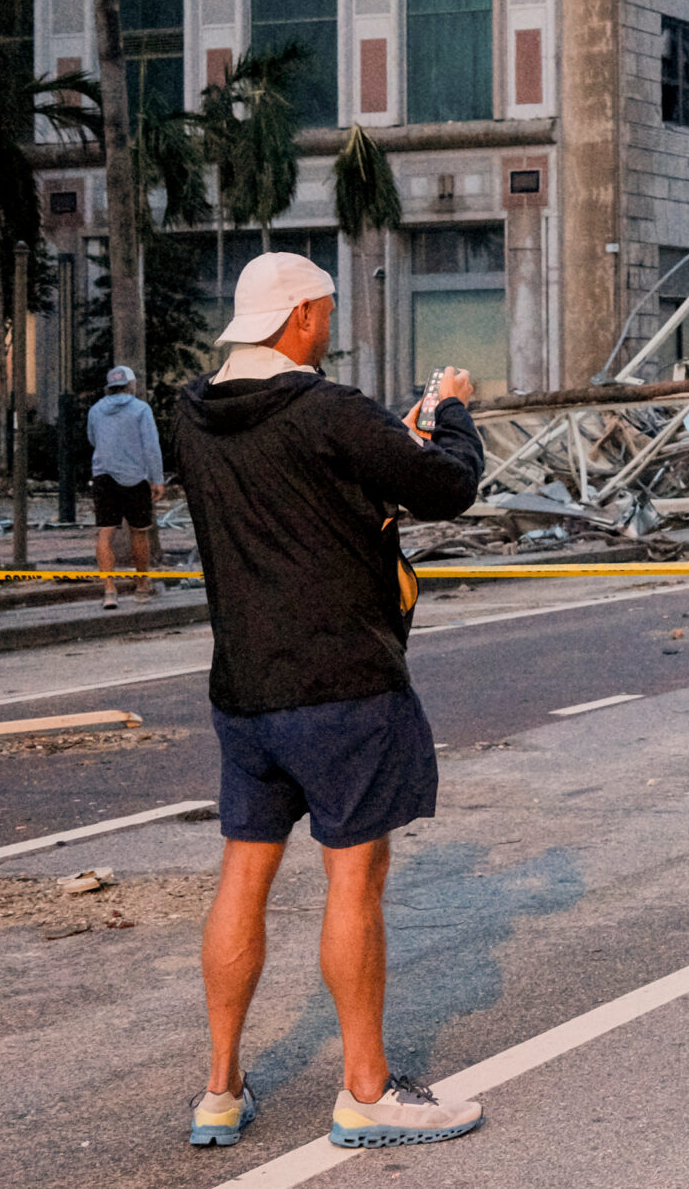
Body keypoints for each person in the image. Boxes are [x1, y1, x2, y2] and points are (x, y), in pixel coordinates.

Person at [175, 252, 490, 1151]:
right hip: (343, 685)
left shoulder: (191, 414)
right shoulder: (327, 409)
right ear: (301, 317)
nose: (328, 323)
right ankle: (365, 1090)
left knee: (244, 876)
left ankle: (219, 1089)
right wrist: (451, 413)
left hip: (245, 688)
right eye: (324, 309)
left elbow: (297, 485)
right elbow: (448, 488)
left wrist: (391, 437)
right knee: (353, 878)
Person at [87, 363, 164, 607]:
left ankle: (109, 591)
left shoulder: (95, 410)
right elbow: (151, 447)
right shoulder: (141, 409)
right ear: (131, 385)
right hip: (135, 477)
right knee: (139, 531)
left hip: (103, 475)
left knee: (104, 532)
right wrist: (157, 479)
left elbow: (92, 438)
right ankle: (141, 586)